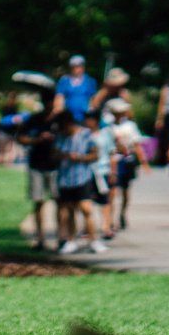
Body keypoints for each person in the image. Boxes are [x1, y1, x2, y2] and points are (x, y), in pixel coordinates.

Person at [54, 108, 108, 254]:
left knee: (86, 209)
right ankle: (71, 240)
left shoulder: (86, 135)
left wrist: (80, 157)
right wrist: (63, 155)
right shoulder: (60, 137)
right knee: (69, 210)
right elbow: (54, 154)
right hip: (65, 178)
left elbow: (95, 155)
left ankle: (93, 240)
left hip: (82, 177)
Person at [16, 95, 64, 250]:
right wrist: (37, 140)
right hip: (37, 164)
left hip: (55, 165)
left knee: (59, 201)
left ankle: (61, 236)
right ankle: (40, 238)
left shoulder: (60, 120)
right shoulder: (34, 119)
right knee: (38, 201)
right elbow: (20, 137)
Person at [105, 96, 142, 233]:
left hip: (128, 160)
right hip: (115, 160)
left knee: (126, 191)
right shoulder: (108, 126)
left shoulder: (130, 126)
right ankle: (110, 219)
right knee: (112, 191)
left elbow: (136, 144)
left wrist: (142, 161)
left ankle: (122, 214)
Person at [56, 56, 98, 122]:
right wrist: (59, 108)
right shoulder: (64, 80)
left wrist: (91, 110)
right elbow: (59, 96)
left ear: (83, 67)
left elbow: (93, 98)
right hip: (68, 116)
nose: (76, 69)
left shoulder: (90, 81)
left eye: (79, 66)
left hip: (85, 116)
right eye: (73, 67)